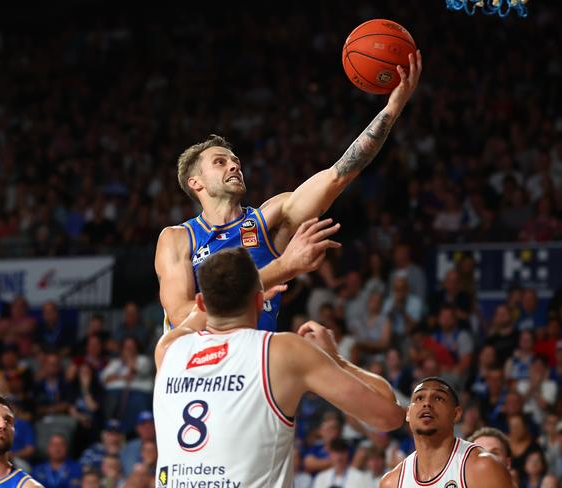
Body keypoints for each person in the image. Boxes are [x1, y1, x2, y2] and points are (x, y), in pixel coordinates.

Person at [155, 51, 422, 332]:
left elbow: (338, 174)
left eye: (236, 161)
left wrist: (392, 109)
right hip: (197, 368)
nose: (234, 166)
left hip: (254, 364)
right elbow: (181, 315)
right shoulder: (177, 238)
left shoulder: (270, 219)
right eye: (220, 162)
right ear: (195, 182)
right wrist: (282, 269)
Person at [154, 248, 404, 487]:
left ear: (200, 302)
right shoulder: (282, 351)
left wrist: (266, 277)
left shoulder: (168, 349)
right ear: (261, 301)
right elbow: (388, 416)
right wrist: (337, 360)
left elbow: (189, 320)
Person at [380, 377, 512, 488]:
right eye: (419, 398)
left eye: (438, 398)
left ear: (456, 414)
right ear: (408, 413)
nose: (427, 403)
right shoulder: (391, 483)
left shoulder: (483, 468)